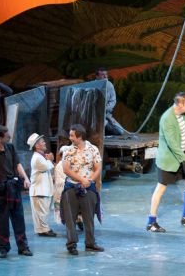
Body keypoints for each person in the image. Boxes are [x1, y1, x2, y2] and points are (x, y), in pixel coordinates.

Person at [147, 92, 185, 232]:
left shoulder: (183, 116)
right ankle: (151, 222)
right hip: (169, 160)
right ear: (180, 103)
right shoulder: (167, 119)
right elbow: (172, 144)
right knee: (161, 188)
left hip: (181, 158)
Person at [0, 126, 33, 258]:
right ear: (0, 138)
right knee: (1, 221)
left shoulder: (10, 147)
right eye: (7, 136)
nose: (9, 137)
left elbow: (17, 164)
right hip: (0, 190)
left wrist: (26, 178)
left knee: (19, 219)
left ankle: (23, 247)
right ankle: (3, 248)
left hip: (13, 188)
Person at [61, 124, 103, 255]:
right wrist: (81, 180)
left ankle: (90, 244)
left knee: (89, 217)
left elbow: (98, 168)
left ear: (80, 137)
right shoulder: (68, 150)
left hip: (88, 187)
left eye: (72, 135)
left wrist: (89, 181)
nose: (70, 138)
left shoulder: (93, 149)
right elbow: (66, 169)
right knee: (70, 218)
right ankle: (71, 245)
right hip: (72, 187)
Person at [27, 133, 56, 237]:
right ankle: (43, 230)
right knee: (41, 211)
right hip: (39, 190)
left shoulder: (40, 157)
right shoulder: (37, 158)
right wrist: (50, 159)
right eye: (42, 142)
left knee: (43, 211)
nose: (44, 143)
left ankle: (43, 229)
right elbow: (47, 166)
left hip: (43, 189)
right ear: (37, 145)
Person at [95, 67, 126, 135]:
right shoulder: (92, 86)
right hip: (95, 116)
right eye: (102, 75)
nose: (105, 76)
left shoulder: (109, 85)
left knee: (120, 131)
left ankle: (105, 131)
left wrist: (106, 108)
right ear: (97, 76)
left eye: (106, 74)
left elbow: (113, 100)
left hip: (106, 114)